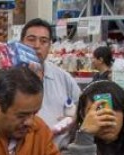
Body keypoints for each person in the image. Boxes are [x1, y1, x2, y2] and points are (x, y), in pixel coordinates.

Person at [21, 18, 80, 148]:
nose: (37, 45)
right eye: (31, 39)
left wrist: (73, 119)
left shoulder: (63, 78)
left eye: (43, 41)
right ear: (21, 43)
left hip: (58, 154)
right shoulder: (9, 77)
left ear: (49, 46)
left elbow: (81, 107)